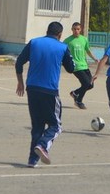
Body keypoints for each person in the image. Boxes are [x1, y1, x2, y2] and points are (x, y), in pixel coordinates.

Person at [15, 21, 75, 168]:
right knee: (56, 125)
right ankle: (42, 145)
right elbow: (71, 68)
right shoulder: (62, 47)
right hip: (49, 91)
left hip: (32, 89)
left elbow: (19, 62)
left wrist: (20, 83)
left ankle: (32, 160)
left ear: (47, 31)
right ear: (60, 35)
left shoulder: (34, 43)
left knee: (37, 126)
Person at [64, 22, 98, 109]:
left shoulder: (84, 39)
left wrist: (94, 58)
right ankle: (79, 101)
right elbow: (62, 52)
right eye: (74, 29)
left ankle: (75, 93)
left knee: (90, 85)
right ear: (72, 29)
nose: (76, 31)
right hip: (76, 66)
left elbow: (88, 50)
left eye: (78, 29)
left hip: (84, 65)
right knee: (86, 83)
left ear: (81, 30)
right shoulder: (67, 41)